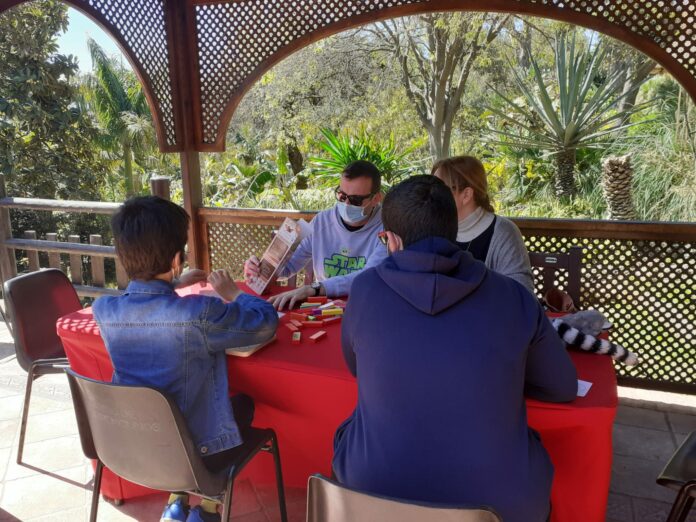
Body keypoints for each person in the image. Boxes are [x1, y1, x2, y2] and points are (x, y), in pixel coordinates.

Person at [332, 175, 577, 522]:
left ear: (393, 240)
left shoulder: (366, 289)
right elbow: (562, 386)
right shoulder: (513, 296)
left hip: (372, 498)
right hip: (499, 507)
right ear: (455, 229)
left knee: (347, 431)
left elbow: (355, 367)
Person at [93, 196, 278, 522]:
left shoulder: (104, 311)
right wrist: (234, 293)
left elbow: (144, 308)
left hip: (133, 444)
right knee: (244, 404)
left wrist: (174, 284)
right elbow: (264, 324)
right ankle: (206, 508)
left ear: (122, 256)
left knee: (174, 408)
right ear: (177, 258)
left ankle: (177, 498)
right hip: (200, 454)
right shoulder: (200, 313)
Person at [244, 160, 388, 310]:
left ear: (376, 199)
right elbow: (288, 268)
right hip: (325, 308)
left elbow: (368, 277)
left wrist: (314, 288)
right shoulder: (321, 222)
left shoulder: (386, 227)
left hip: (366, 307)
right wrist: (262, 268)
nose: (346, 204)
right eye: (341, 195)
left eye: (356, 200)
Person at [432, 155, 535, 293]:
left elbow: (523, 295)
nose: (431, 195)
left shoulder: (503, 232)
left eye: (438, 189)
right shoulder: (433, 229)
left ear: (466, 195)